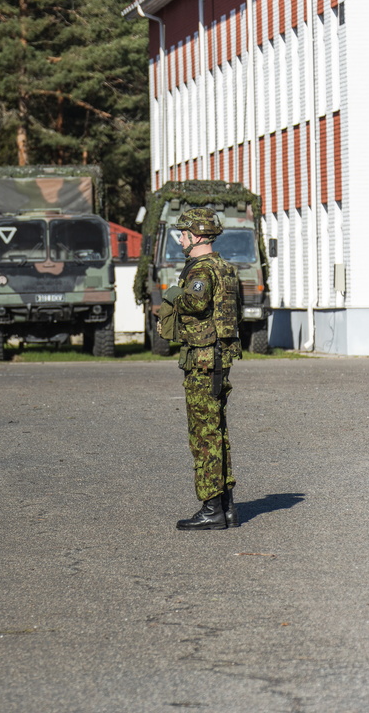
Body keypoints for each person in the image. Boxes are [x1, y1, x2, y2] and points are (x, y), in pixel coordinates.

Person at [161, 206, 242, 531]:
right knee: (217, 432)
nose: (180, 238)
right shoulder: (225, 267)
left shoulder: (202, 270)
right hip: (218, 359)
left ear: (196, 236)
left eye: (183, 233)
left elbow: (195, 302)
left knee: (204, 435)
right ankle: (226, 507)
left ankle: (212, 509)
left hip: (204, 360)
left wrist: (172, 294)